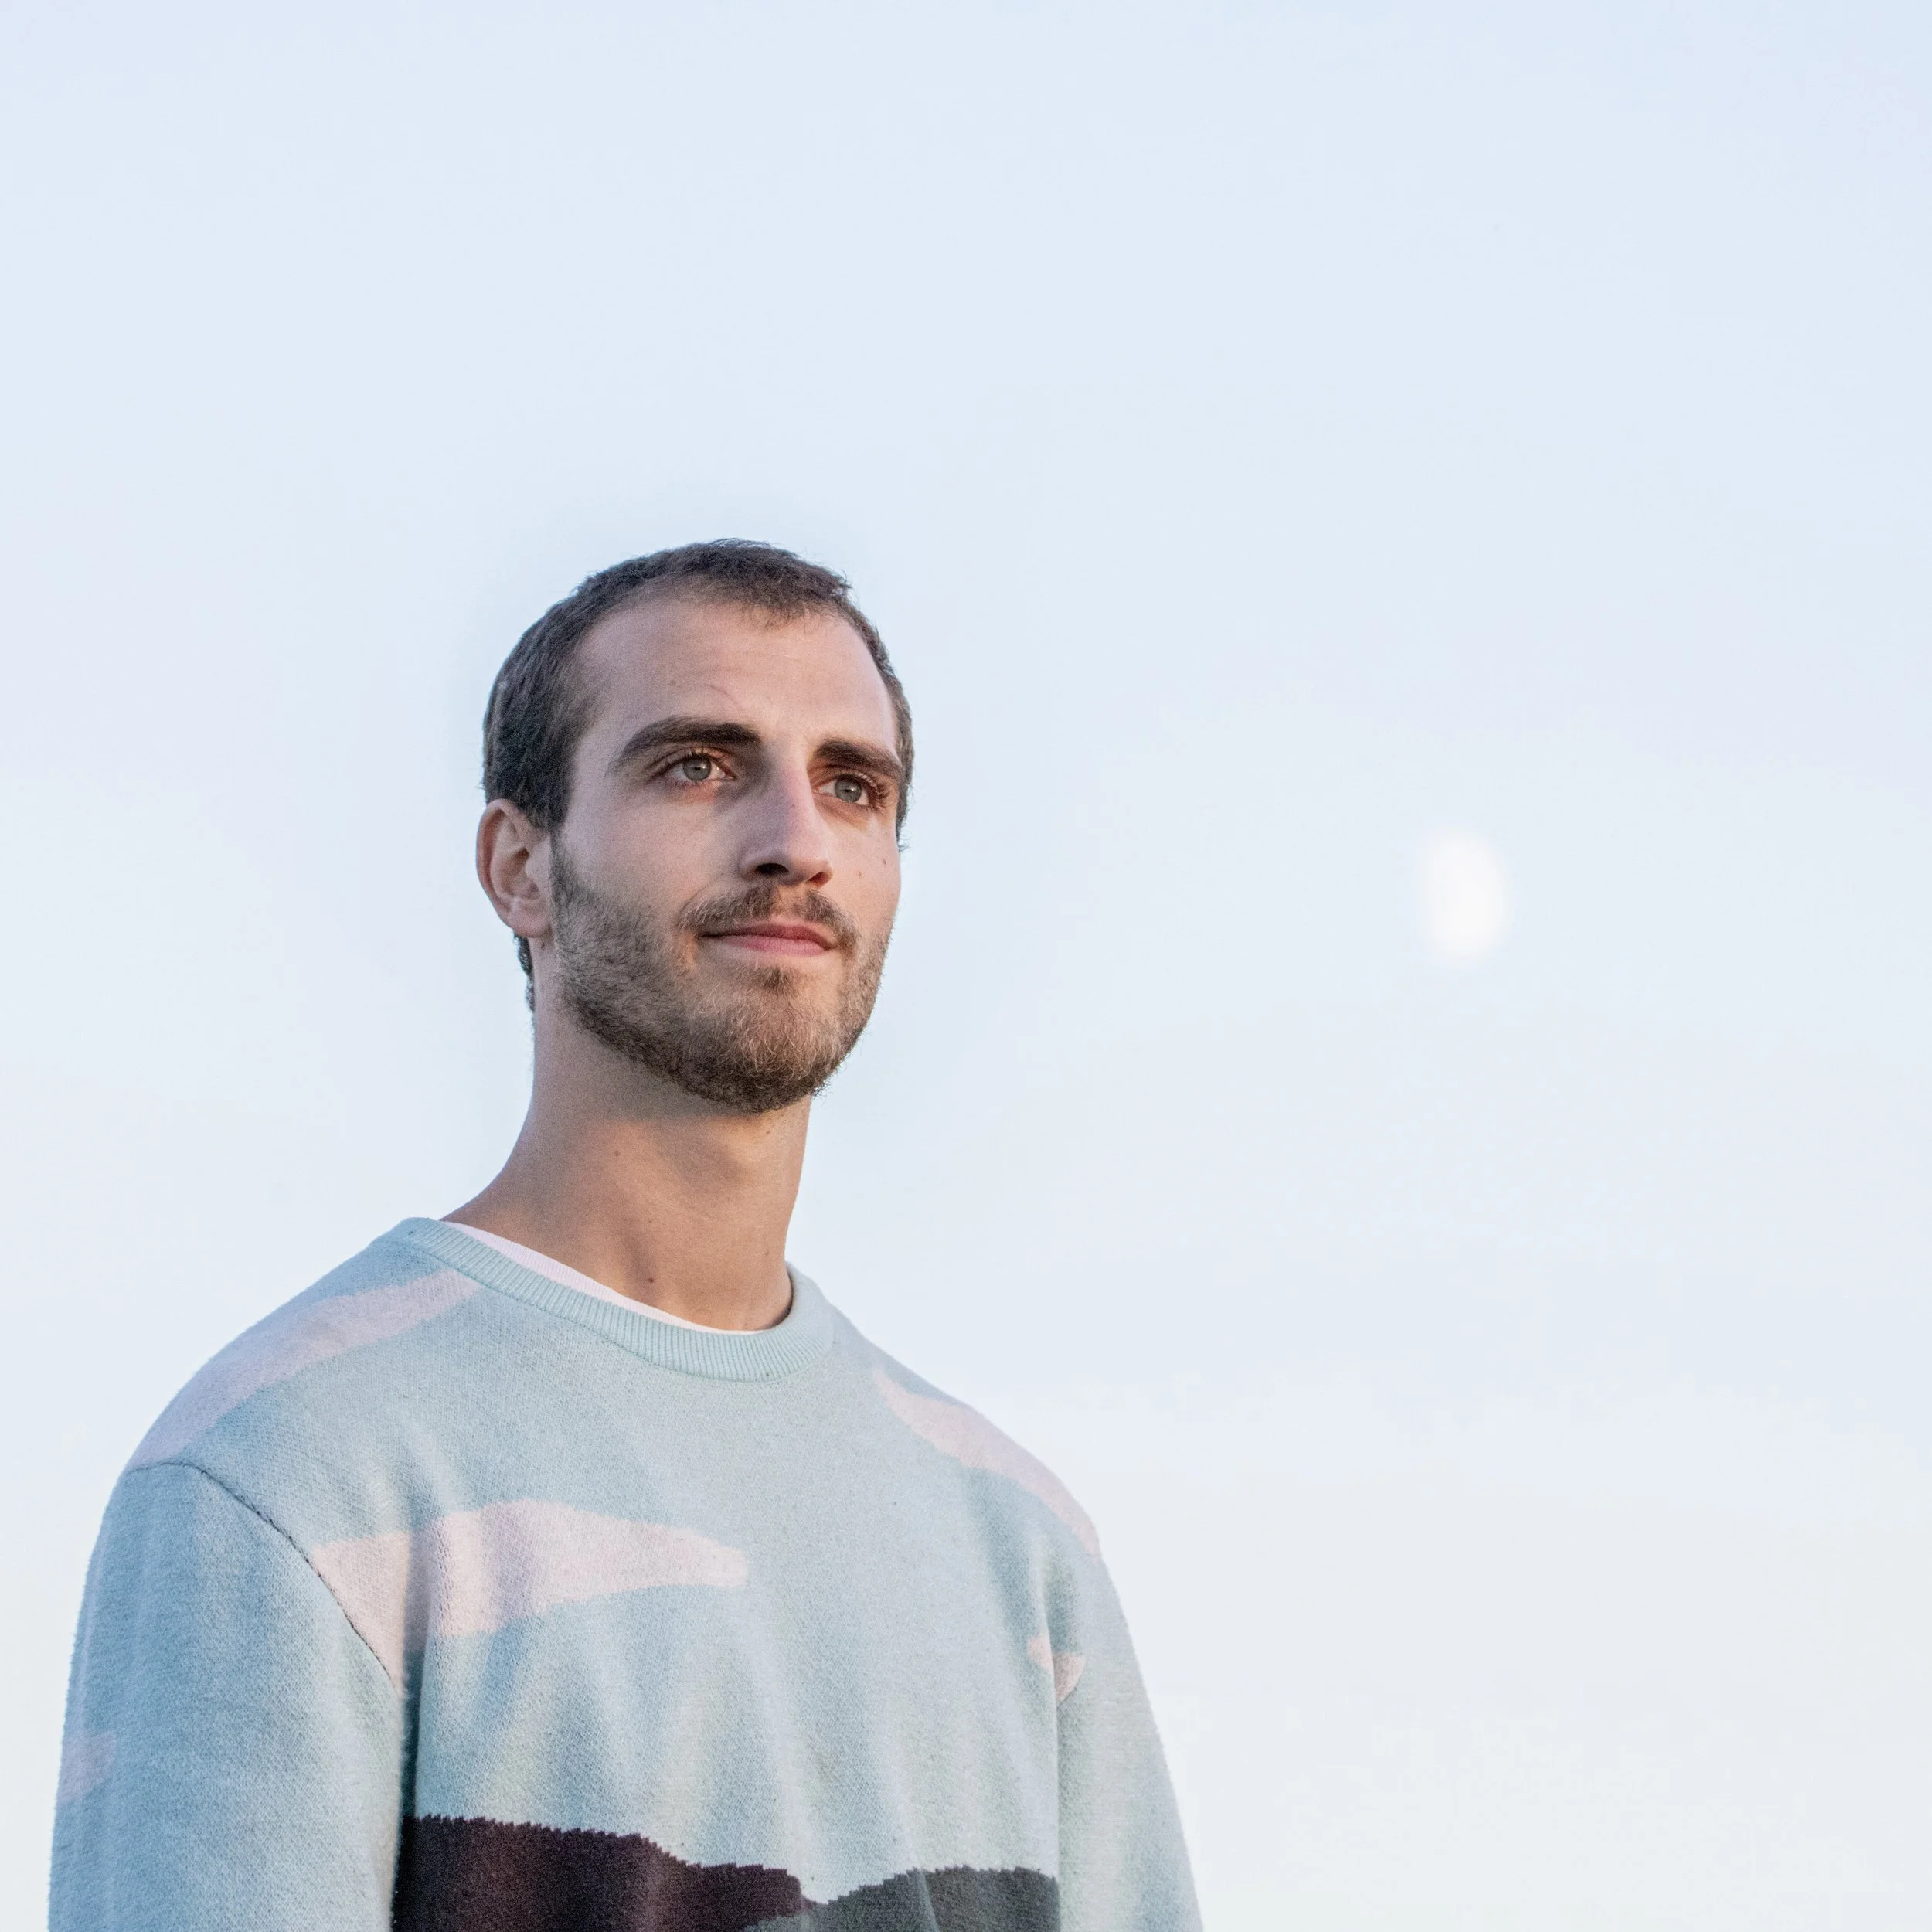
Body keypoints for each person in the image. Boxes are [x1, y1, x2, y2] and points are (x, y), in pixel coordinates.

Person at [49, 541, 1199, 1930]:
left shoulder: (1019, 1543)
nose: (796, 838)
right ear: (521, 867)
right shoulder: (288, 1477)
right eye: (697, 766)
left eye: (854, 784)